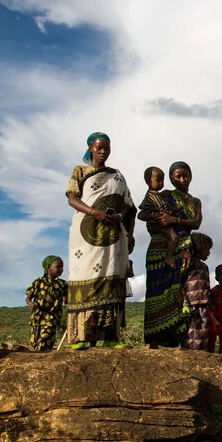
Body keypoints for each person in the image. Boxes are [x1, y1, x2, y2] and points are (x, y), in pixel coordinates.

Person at [65, 132, 136, 350]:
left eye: (107, 147)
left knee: (111, 276)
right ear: (91, 149)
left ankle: (111, 336)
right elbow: (72, 198)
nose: (103, 151)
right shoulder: (80, 171)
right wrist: (94, 212)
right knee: (84, 274)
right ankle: (79, 337)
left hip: (113, 235)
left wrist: (122, 220)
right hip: (86, 234)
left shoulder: (117, 175)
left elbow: (128, 205)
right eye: (99, 147)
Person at [140, 161, 203, 349]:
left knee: (180, 295)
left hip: (185, 249)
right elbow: (149, 218)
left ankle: (178, 342)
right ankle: (154, 342)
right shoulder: (165, 195)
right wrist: (165, 227)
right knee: (157, 292)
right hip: (160, 246)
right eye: (177, 176)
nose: (182, 179)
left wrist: (175, 219)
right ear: (171, 178)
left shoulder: (195, 201)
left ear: (191, 176)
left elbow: (196, 223)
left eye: (185, 175)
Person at [139, 166, 181, 270]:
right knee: (173, 237)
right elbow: (166, 210)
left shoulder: (156, 195)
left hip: (154, 223)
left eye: (162, 180)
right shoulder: (154, 196)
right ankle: (169, 257)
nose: (161, 183)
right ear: (148, 181)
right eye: (158, 180)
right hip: (156, 224)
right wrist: (175, 208)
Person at [25, 256, 68, 352]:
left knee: (46, 336)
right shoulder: (38, 282)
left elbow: (67, 298)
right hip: (38, 316)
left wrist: (66, 299)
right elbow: (28, 297)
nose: (61, 269)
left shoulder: (63, 284)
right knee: (36, 340)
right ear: (48, 268)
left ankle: (41, 354)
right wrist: (30, 303)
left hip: (53, 316)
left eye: (62, 267)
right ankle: (40, 357)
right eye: (58, 266)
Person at [183, 233, 213, 351]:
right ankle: (190, 354)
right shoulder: (187, 264)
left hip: (204, 304)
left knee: (203, 331)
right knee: (191, 330)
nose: (209, 253)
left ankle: (201, 355)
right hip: (191, 303)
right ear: (199, 248)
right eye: (207, 249)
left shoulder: (204, 266)